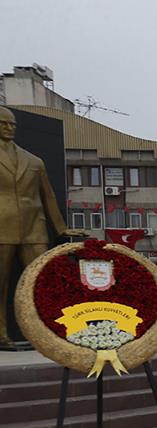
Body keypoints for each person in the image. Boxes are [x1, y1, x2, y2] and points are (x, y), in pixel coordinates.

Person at [0, 106, 82, 346]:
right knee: (1, 284)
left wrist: (61, 228)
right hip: (2, 228)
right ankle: (1, 334)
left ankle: (45, 331)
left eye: (12, 124)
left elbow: (48, 197)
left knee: (41, 282)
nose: (9, 128)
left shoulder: (34, 161)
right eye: (4, 123)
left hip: (33, 228)